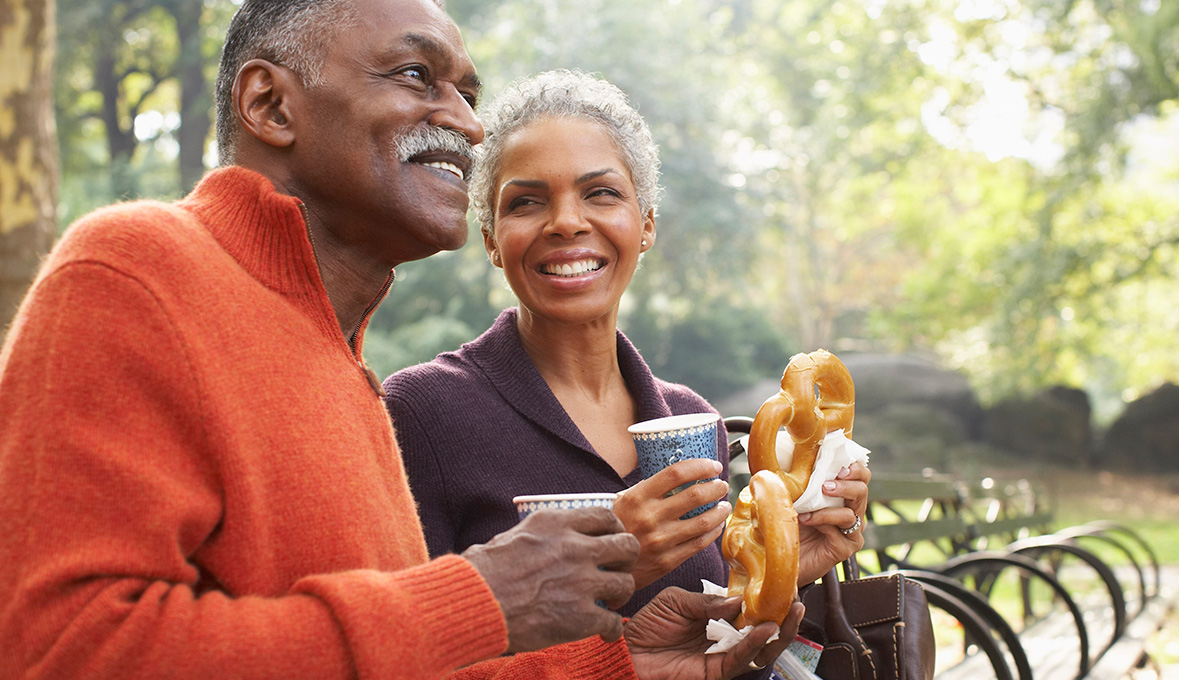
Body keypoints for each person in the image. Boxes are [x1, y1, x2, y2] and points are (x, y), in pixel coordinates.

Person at [0, 1, 801, 678]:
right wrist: (481, 596)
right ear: (272, 106)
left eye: (466, 92)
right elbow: (57, 649)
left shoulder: (344, 367)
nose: (468, 123)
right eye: (418, 76)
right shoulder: (133, 269)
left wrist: (617, 663)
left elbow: (407, 657)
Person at [383, 69, 872, 620]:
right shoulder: (423, 412)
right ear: (493, 240)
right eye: (526, 203)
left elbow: (710, 644)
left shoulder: (694, 422)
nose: (566, 222)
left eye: (601, 193)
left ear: (646, 225)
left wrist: (782, 574)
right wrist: (617, 561)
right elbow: (414, 647)